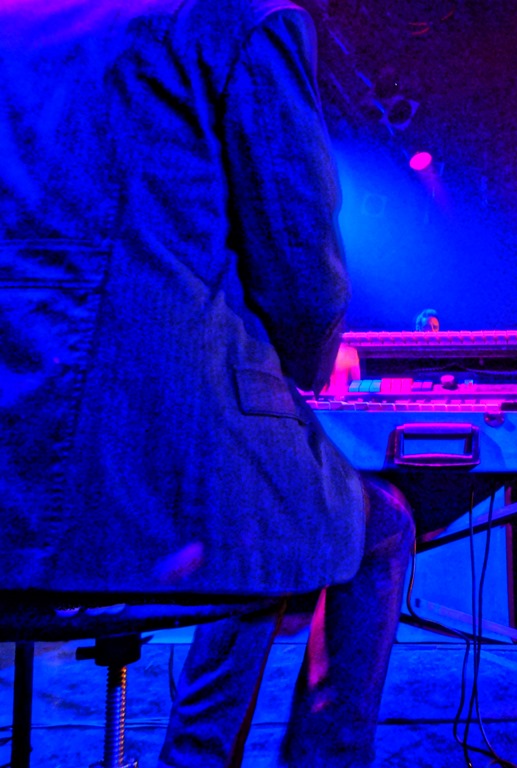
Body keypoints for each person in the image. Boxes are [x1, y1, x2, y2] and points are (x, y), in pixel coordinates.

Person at [0, 2, 414, 766]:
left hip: (15, 478)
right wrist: (302, 374)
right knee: (364, 524)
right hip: (141, 459)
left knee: (258, 515)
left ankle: (197, 749)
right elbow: (303, 282)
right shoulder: (240, 17)